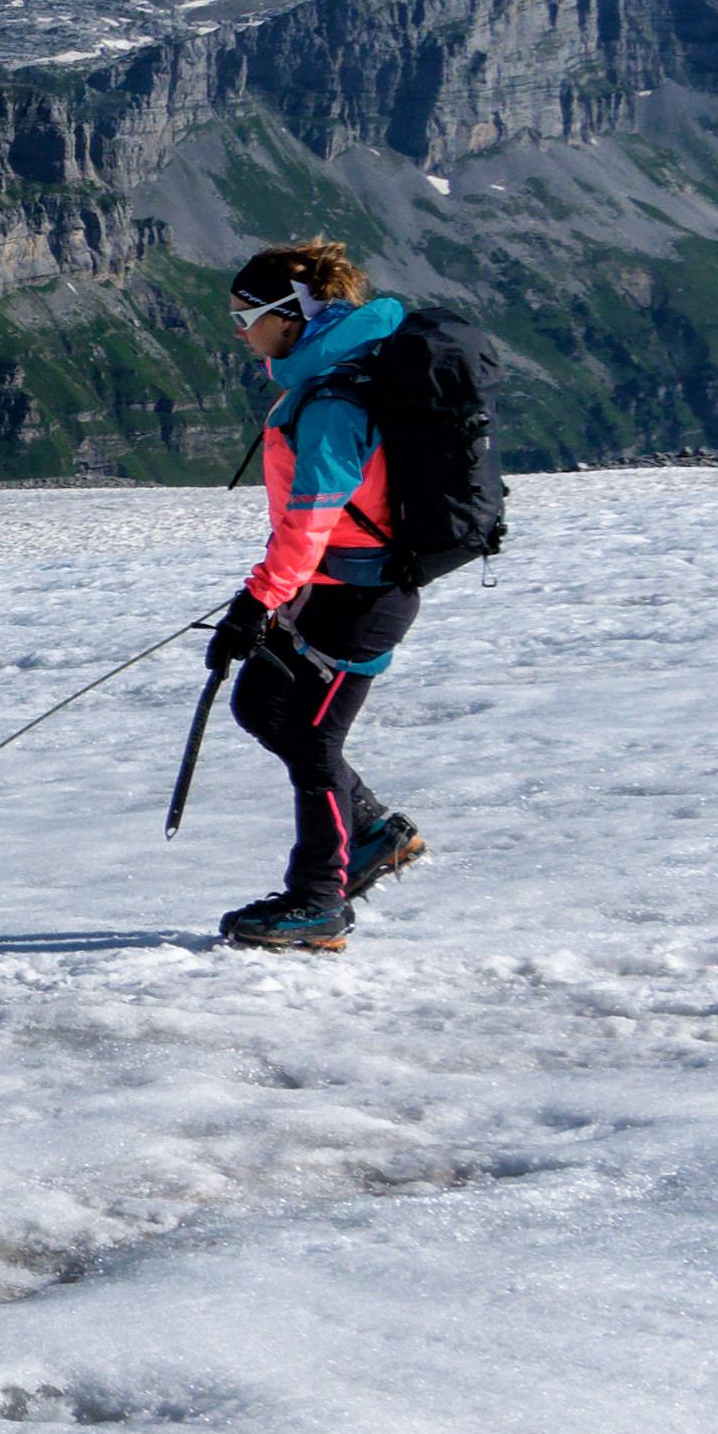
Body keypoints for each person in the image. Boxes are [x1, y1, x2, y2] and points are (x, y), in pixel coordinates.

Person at [203, 241, 432, 952]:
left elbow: (311, 521)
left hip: (360, 601)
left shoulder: (334, 399)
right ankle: (370, 835)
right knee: (262, 704)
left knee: (311, 739)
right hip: (332, 592)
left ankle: (318, 902)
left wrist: (254, 603)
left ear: (291, 316)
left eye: (246, 317)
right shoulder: (327, 373)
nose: (238, 332)